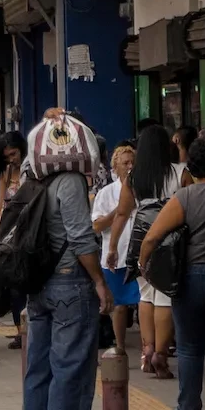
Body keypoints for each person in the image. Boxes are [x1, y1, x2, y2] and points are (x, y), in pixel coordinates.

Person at [22, 111, 112, 410]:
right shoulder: (71, 181)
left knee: (39, 368)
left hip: (39, 284)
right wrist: (99, 282)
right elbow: (80, 238)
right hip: (69, 283)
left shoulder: (32, 176)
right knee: (70, 368)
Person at [139, 134, 205, 410]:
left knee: (189, 349)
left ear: (192, 166)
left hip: (193, 278)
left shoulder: (184, 197)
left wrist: (143, 266)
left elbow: (152, 237)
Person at [107, 122, 190, 377]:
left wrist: (112, 248)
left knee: (146, 294)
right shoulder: (180, 173)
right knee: (165, 296)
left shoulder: (134, 178)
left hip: (141, 239)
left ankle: (146, 351)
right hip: (170, 239)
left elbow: (122, 213)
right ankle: (161, 354)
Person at [92, 142, 139, 356]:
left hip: (139, 254)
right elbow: (97, 225)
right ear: (115, 167)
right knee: (119, 306)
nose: (129, 166)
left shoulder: (144, 188)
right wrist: (119, 212)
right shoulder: (106, 193)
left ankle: (150, 349)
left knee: (145, 303)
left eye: (132, 162)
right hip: (116, 255)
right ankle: (120, 347)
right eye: (125, 163)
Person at [0, 130, 29, 348]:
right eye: (7, 156)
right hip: (9, 237)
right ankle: (20, 331)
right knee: (14, 287)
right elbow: (0, 204)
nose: (11, 159)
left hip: (29, 234)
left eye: (14, 154)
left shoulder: (31, 170)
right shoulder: (5, 173)